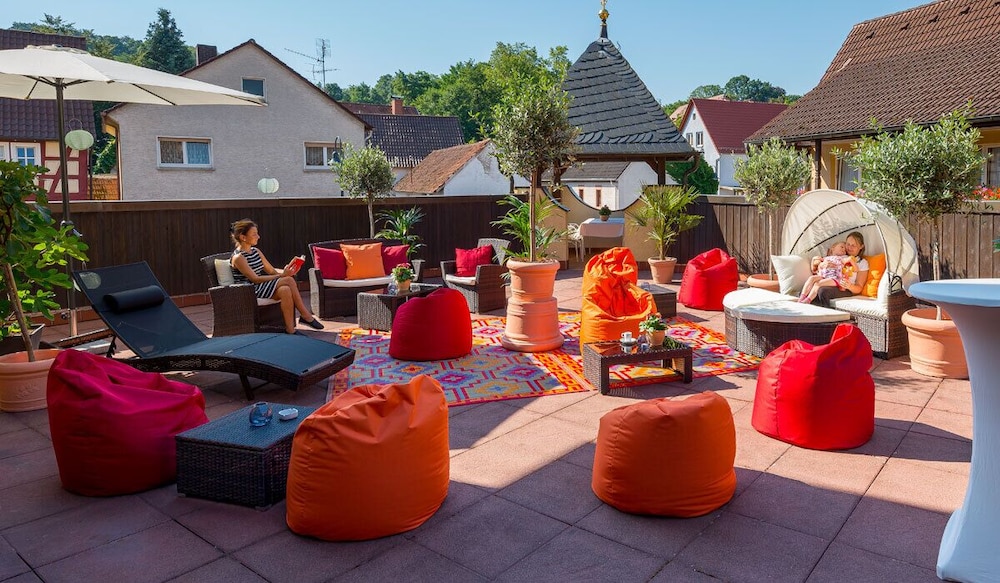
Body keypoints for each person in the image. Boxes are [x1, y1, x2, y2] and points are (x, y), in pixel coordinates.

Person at [229, 219, 323, 334]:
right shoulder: (238, 258)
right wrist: (283, 276)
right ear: (243, 237)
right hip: (249, 290)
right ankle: (305, 315)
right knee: (288, 280)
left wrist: (287, 271)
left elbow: (271, 271)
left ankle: (290, 330)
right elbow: (255, 279)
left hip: (261, 286)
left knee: (285, 290)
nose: (258, 237)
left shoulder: (255, 251)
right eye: (254, 234)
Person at [807, 231, 870, 308]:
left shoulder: (862, 262)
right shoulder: (840, 254)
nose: (849, 247)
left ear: (861, 246)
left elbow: (859, 287)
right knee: (810, 288)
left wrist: (850, 286)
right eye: (848, 244)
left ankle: (826, 314)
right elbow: (817, 262)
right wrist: (821, 264)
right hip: (830, 280)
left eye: (853, 245)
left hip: (845, 289)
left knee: (822, 291)